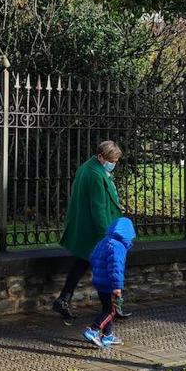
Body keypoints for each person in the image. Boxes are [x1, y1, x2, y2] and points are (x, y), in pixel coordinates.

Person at [52, 140, 124, 322]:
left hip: (87, 229)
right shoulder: (95, 174)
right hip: (95, 231)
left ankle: (63, 299)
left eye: (116, 161)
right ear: (101, 157)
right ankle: (111, 308)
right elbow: (98, 207)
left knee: (83, 263)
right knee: (106, 269)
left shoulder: (91, 167)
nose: (114, 164)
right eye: (112, 160)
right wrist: (107, 235)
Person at [83, 216, 136, 348]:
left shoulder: (104, 241)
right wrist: (117, 287)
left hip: (99, 281)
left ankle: (108, 335)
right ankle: (93, 330)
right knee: (111, 311)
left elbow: (92, 257)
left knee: (107, 308)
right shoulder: (118, 247)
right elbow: (116, 269)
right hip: (109, 284)